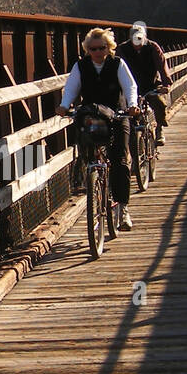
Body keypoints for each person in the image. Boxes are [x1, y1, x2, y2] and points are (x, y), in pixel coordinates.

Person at [55, 27, 141, 230]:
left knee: (120, 160)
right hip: (93, 116)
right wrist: (64, 106)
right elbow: (71, 88)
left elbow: (130, 86)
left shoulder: (117, 63)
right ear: (87, 49)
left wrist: (132, 104)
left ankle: (123, 209)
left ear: (109, 47)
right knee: (89, 151)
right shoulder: (81, 66)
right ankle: (94, 179)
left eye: (102, 48)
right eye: (92, 49)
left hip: (118, 114)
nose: (97, 52)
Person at [117, 20, 172, 145]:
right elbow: (116, 67)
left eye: (140, 38)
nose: (137, 42)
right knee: (124, 111)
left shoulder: (153, 47)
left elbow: (162, 65)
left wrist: (166, 84)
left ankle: (159, 128)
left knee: (159, 104)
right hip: (130, 87)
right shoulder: (122, 49)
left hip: (150, 85)